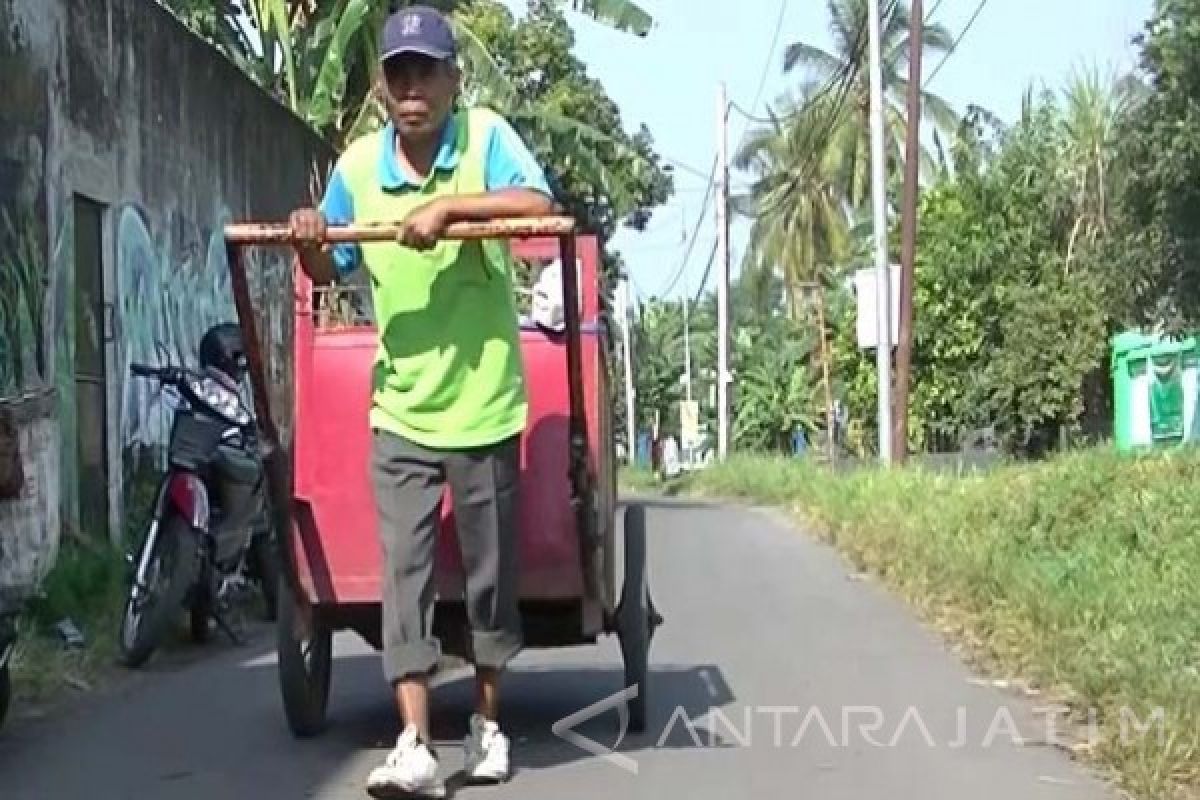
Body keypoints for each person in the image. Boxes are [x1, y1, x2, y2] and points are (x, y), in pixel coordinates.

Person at [288, 6, 557, 798]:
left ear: (452, 80)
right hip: (400, 408)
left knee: (486, 577)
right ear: (381, 88)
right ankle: (413, 741)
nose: (413, 89)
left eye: (426, 73)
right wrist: (309, 235)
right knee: (402, 578)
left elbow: (536, 203)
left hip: (484, 405)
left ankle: (487, 723)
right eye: (398, 74)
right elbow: (328, 266)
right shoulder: (358, 168)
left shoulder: (485, 138)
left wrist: (452, 212)